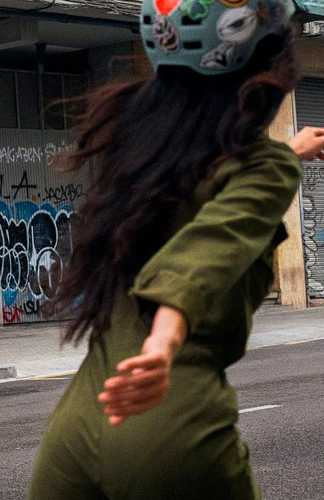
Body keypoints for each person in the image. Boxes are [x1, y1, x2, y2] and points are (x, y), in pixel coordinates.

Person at [28, 1, 324, 499]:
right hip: (168, 423)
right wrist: (164, 341)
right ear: (270, 67)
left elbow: (211, 191)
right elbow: (207, 247)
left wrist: (289, 152)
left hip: (77, 427)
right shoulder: (264, 168)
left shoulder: (147, 151)